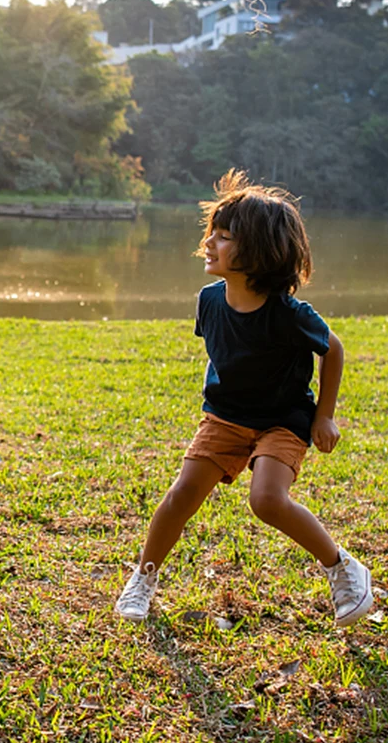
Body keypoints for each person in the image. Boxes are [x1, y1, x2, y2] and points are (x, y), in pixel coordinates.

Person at [115, 170, 373, 627]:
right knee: (182, 495)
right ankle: (143, 578)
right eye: (211, 231)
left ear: (259, 252)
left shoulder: (291, 315)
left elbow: (332, 348)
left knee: (267, 499)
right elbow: (225, 352)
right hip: (227, 416)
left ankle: (344, 569)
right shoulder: (209, 301)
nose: (210, 242)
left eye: (225, 235)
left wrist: (325, 416)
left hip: (283, 419)